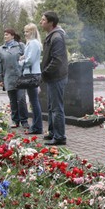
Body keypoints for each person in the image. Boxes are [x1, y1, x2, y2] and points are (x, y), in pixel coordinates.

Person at [40, 11, 68, 146]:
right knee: (52, 107)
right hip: (53, 77)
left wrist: (45, 71)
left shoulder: (56, 37)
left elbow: (57, 60)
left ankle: (60, 137)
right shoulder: (52, 36)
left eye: (43, 20)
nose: (41, 22)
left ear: (51, 23)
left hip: (57, 77)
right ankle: (52, 133)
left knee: (57, 108)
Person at [0, 28, 29, 129]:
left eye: (7, 34)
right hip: (8, 78)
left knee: (22, 99)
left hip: (20, 77)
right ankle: (15, 121)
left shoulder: (21, 46)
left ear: (12, 36)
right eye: (4, 34)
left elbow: (28, 59)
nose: (5, 36)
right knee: (13, 100)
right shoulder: (0, 49)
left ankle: (24, 121)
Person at [20, 23, 43, 135]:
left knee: (34, 102)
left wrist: (19, 63)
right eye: (25, 31)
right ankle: (36, 126)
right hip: (32, 74)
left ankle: (37, 127)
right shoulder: (31, 43)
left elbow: (29, 61)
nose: (25, 34)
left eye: (27, 31)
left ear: (33, 32)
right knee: (33, 101)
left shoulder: (33, 43)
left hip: (32, 74)